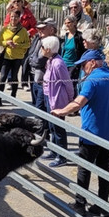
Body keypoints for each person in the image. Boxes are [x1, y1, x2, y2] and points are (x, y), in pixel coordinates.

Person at [53, 49, 109, 217]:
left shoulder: (92, 80)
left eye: (84, 65)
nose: (82, 69)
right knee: (103, 169)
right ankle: (102, 206)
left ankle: (80, 203)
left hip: (91, 134)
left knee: (84, 168)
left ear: (92, 63)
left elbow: (78, 103)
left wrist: (60, 111)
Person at [41, 34, 74, 167]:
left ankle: (62, 156)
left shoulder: (58, 63)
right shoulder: (50, 61)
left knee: (58, 128)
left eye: (43, 47)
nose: (41, 49)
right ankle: (54, 151)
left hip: (57, 100)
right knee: (51, 127)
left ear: (48, 49)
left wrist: (71, 99)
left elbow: (67, 82)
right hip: (49, 96)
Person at [26, 18, 59, 138]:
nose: (39, 31)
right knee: (36, 106)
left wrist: (33, 61)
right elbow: (30, 55)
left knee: (40, 109)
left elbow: (39, 61)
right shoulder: (37, 39)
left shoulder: (53, 43)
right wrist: (33, 61)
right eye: (38, 29)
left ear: (51, 29)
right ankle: (43, 132)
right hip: (34, 77)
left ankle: (41, 135)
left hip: (43, 81)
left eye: (42, 29)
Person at [0, 16, 30, 106]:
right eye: (12, 17)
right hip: (7, 56)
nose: (13, 19)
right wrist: (6, 43)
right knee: (3, 77)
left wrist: (17, 45)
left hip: (17, 57)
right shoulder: (5, 29)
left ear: (19, 19)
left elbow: (28, 44)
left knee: (14, 77)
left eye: (16, 17)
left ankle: (13, 97)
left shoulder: (23, 31)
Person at [60, 15, 86, 80]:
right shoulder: (65, 35)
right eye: (65, 23)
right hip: (64, 63)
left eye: (69, 22)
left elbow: (83, 50)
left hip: (73, 65)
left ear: (74, 23)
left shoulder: (79, 36)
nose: (67, 25)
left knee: (70, 82)